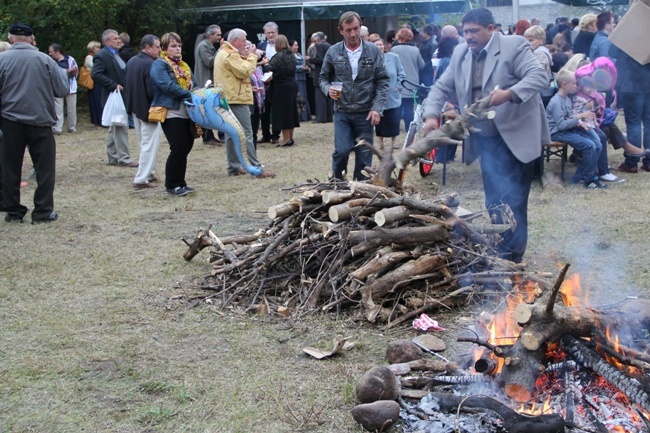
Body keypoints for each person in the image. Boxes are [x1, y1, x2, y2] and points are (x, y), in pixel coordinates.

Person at [422, 8, 550, 263]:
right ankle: (501, 247)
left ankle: (514, 257)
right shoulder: (461, 53)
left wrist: (510, 94)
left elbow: (540, 76)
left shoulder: (514, 46)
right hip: (486, 139)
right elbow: (441, 87)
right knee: (493, 198)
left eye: (474, 31)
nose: (468, 36)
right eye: (465, 31)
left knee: (514, 198)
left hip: (517, 134)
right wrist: (430, 115)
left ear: (490, 29)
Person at [0, 23, 69, 223]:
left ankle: (13, 211)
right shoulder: (45, 60)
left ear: (11, 39)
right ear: (32, 39)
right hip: (40, 120)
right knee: (45, 168)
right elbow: (62, 90)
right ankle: (43, 211)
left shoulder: (1, 60)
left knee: (10, 167)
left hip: (10, 121)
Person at [319, 11, 389, 180]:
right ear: (340, 30)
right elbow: (323, 78)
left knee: (364, 158)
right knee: (342, 151)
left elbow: (383, 81)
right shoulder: (333, 52)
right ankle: (337, 183)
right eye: (348, 30)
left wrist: (377, 108)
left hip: (365, 112)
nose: (353, 33)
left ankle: (361, 190)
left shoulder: (372, 51)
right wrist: (327, 89)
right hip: (342, 111)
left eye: (356, 29)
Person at [214, 28, 275, 178]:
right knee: (247, 133)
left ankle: (234, 167)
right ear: (235, 41)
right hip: (235, 99)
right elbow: (245, 71)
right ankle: (255, 168)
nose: (246, 43)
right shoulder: (229, 54)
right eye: (244, 40)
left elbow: (235, 76)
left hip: (228, 97)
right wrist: (253, 56)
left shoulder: (224, 53)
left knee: (230, 133)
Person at [150, 32, 197, 196]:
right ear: (164, 48)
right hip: (171, 111)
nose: (177, 49)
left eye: (179, 45)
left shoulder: (183, 65)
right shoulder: (159, 64)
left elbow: (194, 84)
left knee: (186, 146)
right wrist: (189, 94)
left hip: (187, 112)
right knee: (178, 146)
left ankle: (181, 182)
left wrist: (198, 92)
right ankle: (172, 184)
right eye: (173, 46)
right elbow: (166, 85)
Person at [546, 69, 603, 188]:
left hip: (567, 130)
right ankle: (590, 179)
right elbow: (561, 125)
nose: (576, 86)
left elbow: (570, 116)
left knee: (597, 144)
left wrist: (580, 122)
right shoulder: (556, 102)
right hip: (557, 133)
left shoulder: (566, 99)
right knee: (589, 145)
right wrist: (579, 116)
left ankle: (579, 176)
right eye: (573, 83)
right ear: (564, 85)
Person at [91, 29, 137, 167]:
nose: (119, 40)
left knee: (115, 125)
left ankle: (113, 157)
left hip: (120, 95)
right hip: (114, 95)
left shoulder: (116, 54)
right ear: (107, 42)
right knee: (121, 125)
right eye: (115, 38)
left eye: (119, 38)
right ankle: (124, 158)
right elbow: (96, 74)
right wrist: (113, 85)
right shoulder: (102, 55)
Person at [125, 34, 163, 190]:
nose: (160, 50)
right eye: (157, 47)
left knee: (144, 143)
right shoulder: (150, 64)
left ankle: (149, 173)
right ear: (147, 47)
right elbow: (152, 90)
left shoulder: (132, 61)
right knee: (149, 144)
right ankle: (141, 178)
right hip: (148, 110)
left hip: (135, 108)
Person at [609, 42, 650, 173]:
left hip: (631, 83)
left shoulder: (627, 32)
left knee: (634, 123)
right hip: (646, 81)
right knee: (648, 123)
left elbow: (612, 51)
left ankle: (632, 162)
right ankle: (648, 161)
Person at [268, 35, 300, 147]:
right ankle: (290, 137)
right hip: (292, 85)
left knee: (283, 113)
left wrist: (266, 63)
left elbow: (270, 69)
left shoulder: (278, 56)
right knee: (291, 112)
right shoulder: (292, 55)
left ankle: (285, 139)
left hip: (281, 87)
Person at [373, 38, 405, 149]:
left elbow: (401, 73)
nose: (379, 46)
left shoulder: (393, 58)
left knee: (394, 118)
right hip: (378, 94)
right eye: (376, 44)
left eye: (380, 44)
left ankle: (394, 142)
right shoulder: (370, 60)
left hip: (393, 93)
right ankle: (380, 143)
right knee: (379, 119)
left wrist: (398, 86)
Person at [194, 24, 223, 146]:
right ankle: (207, 137)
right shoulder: (203, 46)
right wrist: (220, 51)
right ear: (211, 35)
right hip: (204, 82)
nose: (220, 37)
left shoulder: (208, 46)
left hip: (209, 81)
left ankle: (210, 135)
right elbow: (210, 62)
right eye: (218, 35)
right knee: (205, 109)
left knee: (209, 109)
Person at [433, 35, 460, 164]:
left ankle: (447, 156)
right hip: (450, 100)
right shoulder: (449, 62)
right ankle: (443, 157)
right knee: (449, 129)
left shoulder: (443, 61)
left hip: (446, 99)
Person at [391, 28, 424, 133]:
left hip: (398, 83)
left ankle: (395, 127)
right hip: (412, 82)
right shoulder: (416, 50)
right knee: (409, 107)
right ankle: (408, 127)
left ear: (399, 37)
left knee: (397, 106)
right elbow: (421, 65)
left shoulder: (394, 50)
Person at [258, 22, 281, 144]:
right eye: (268, 33)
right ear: (265, 34)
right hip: (264, 83)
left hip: (277, 81)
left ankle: (276, 134)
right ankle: (265, 134)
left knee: (276, 109)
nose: (271, 35)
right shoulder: (261, 45)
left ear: (277, 33)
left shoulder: (282, 46)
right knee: (264, 110)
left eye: (273, 32)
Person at [48, 43, 78, 134]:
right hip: (56, 88)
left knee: (71, 109)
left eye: (51, 52)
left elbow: (75, 72)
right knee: (57, 109)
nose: (50, 54)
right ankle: (58, 128)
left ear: (57, 51)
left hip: (70, 88)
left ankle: (72, 127)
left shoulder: (69, 59)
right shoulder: (51, 61)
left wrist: (63, 72)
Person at [307, 32, 332, 123]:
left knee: (319, 97)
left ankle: (321, 118)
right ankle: (329, 117)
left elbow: (319, 59)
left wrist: (309, 59)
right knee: (328, 96)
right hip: (329, 73)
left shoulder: (319, 46)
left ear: (318, 39)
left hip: (320, 73)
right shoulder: (329, 45)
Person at [290, 39, 312, 122]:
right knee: (298, 98)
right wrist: (300, 67)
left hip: (302, 78)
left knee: (304, 97)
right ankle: (299, 116)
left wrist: (306, 67)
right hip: (295, 78)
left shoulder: (298, 54)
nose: (297, 47)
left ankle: (305, 116)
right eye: (295, 45)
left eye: (297, 45)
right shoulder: (290, 56)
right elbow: (291, 67)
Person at [85, 41, 103, 127]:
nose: (99, 49)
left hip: (98, 81)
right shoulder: (89, 57)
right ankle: (97, 120)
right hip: (93, 82)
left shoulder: (97, 57)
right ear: (92, 49)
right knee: (96, 100)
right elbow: (96, 67)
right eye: (97, 48)